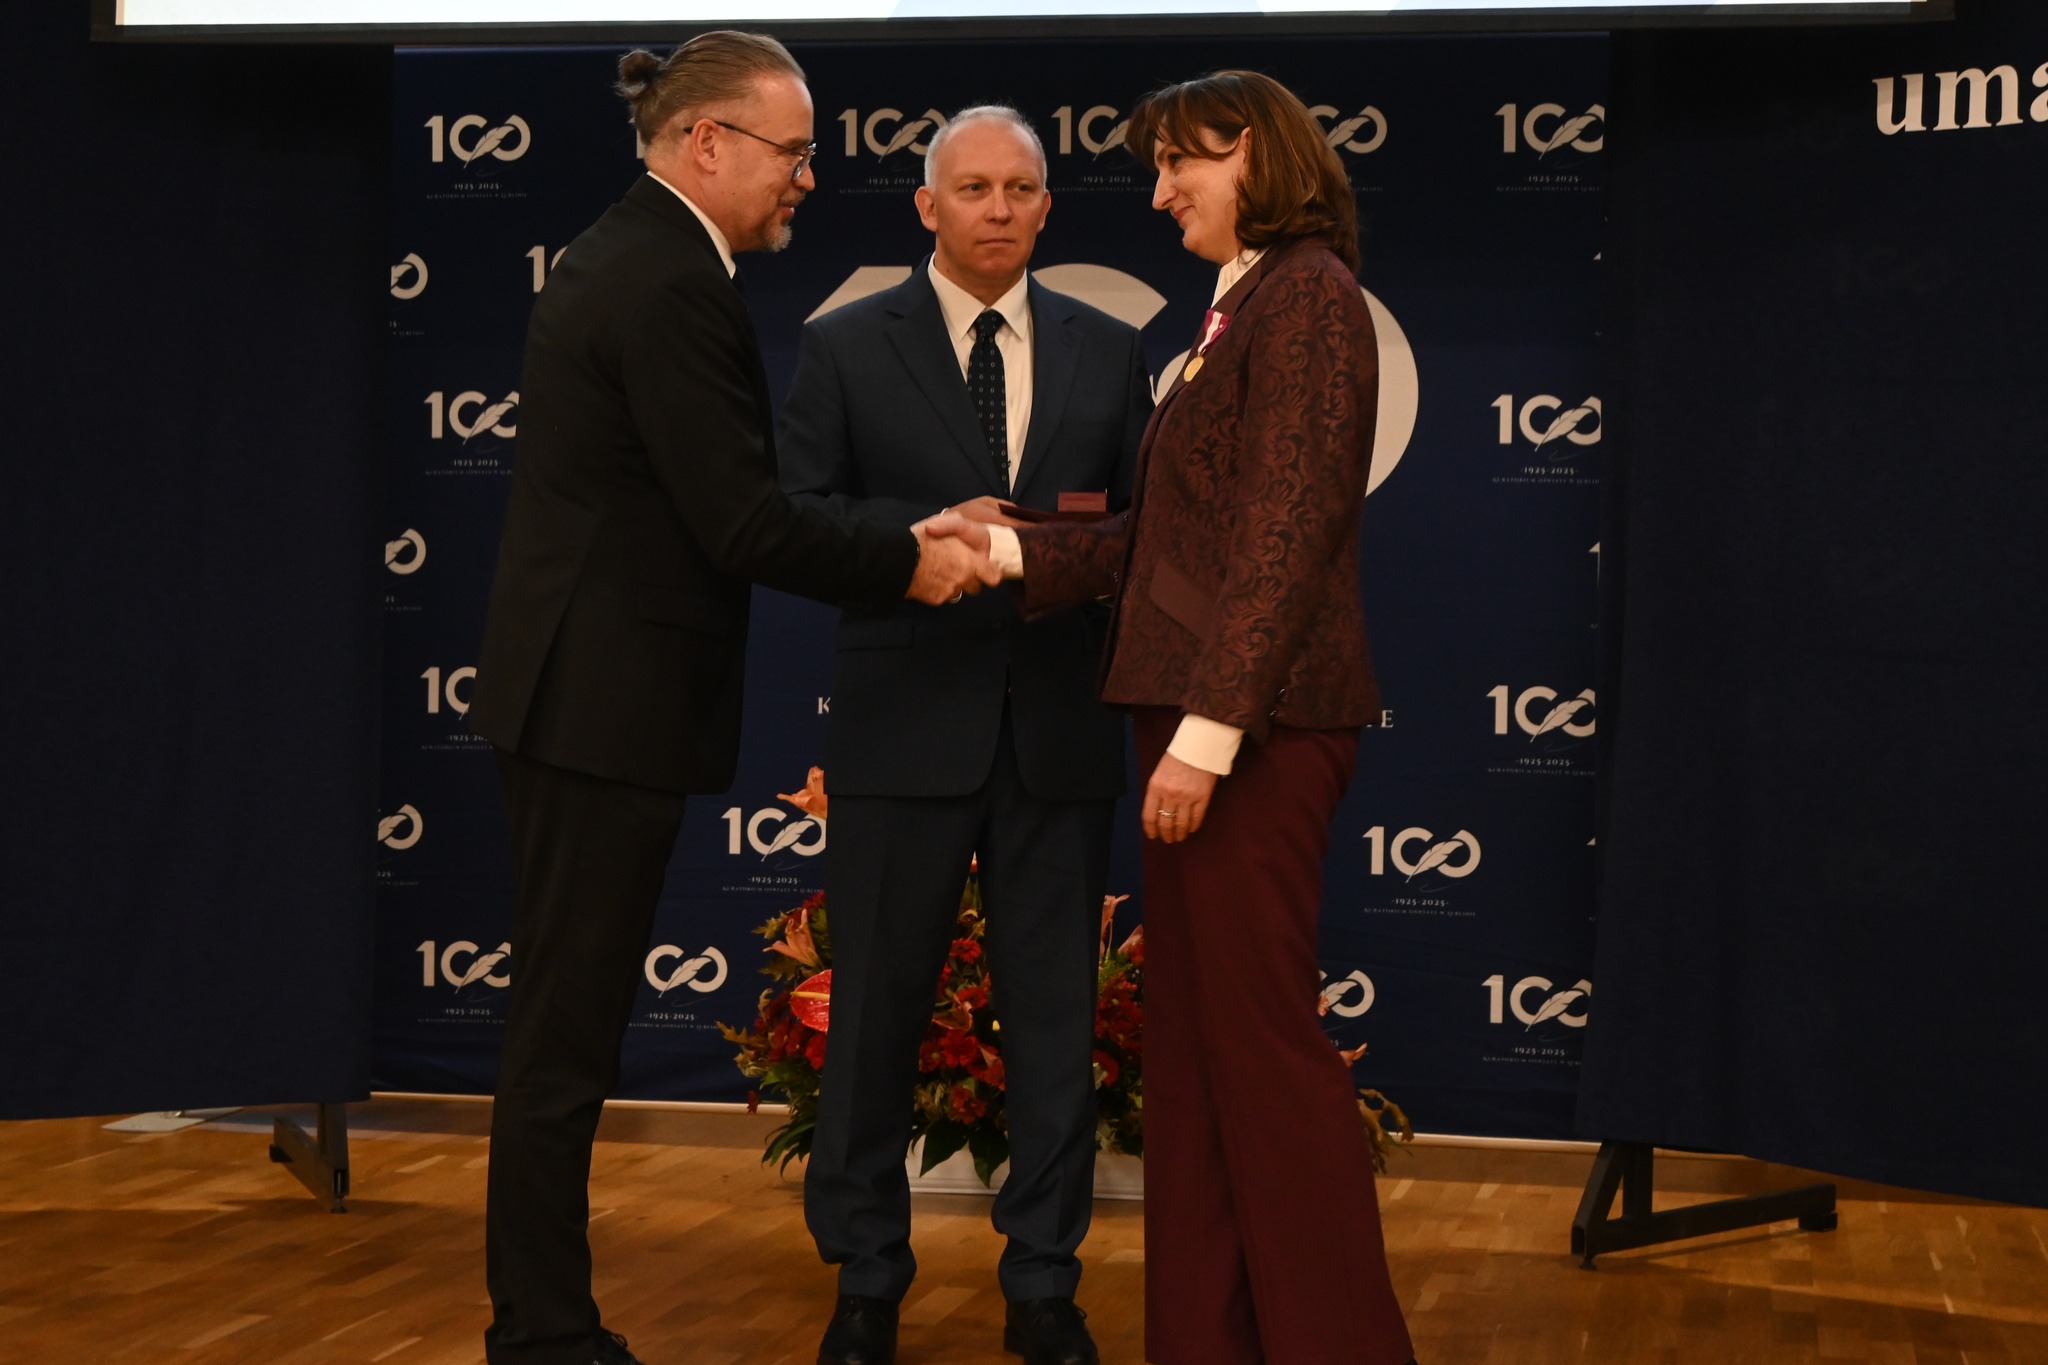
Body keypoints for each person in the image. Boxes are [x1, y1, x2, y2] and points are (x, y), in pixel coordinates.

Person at [464, 33, 996, 1365]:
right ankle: (542, 1334)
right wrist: (912, 559)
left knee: (564, 1031)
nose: (807, 178)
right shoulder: (660, 277)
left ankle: (542, 1320)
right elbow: (743, 521)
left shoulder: (645, 257)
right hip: (598, 708)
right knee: (564, 1038)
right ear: (706, 142)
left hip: (591, 701)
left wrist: (898, 537)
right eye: (792, 151)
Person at [948, 70, 1417, 1365]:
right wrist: (1004, 550)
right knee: (1200, 1067)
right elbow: (1169, 543)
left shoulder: (1306, 294)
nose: (1159, 194)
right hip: (1199, 723)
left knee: (1258, 1059)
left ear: (1253, 153)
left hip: (1249, 735)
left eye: (1180, 164)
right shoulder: (1246, 303)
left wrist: (1208, 736)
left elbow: (1285, 532)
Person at [776, 106, 1152, 1365]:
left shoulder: (1110, 348)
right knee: (872, 1022)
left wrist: (1039, 554)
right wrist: (920, 535)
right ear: (924, 206)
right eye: (973, 188)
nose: (997, 209)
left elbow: (1143, 536)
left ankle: (1043, 1281)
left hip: (1057, 734)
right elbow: (796, 519)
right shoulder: (842, 345)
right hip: (902, 732)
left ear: (1048, 206)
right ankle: (864, 1281)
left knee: (1053, 1027)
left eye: (1020, 188)